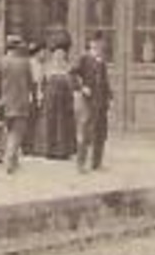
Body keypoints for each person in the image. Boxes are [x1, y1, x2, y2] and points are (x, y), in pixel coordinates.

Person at [0, 35, 38, 172]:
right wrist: (34, 98)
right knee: (16, 134)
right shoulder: (25, 63)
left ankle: (14, 161)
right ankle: (9, 163)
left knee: (8, 131)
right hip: (20, 103)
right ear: (18, 47)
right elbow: (32, 83)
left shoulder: (1, 62)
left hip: (5, 103)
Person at [73, 32, 113, 172]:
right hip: (88, 102)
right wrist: (82, 87)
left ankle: (97, 163)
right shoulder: (84, 58)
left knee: (101, 133)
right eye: (97, 43)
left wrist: (109, 96)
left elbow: (105, 82)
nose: (101, 46)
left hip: (101, 102)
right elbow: (73, 74)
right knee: (86, 133)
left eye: (102, 43)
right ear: (91, 44)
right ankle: (81, 164)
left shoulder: (101, 61)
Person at [38, 34, 78, 160]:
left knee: (63, 123)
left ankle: (63, 151)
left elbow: (74, 83)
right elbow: (41, 83)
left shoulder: (68, 67)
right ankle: (50, 150)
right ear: (54, 54)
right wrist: (40, 94)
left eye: (61, 54)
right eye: (57, 53)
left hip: (64, 100)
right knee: (51, 122)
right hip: (51, 99)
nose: (59, 56)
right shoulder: (47, 67)